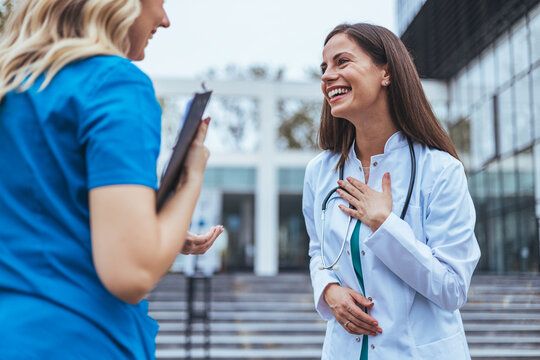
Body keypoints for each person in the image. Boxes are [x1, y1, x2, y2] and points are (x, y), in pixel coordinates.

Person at [0, 0, 222, 359]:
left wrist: (142, 226)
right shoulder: (114, 83)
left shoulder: (14, 86)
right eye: (161, 2)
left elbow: (38, 212)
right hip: (80, 338)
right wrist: (191, 177)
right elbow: (131, 272)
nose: (165, 20)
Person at [302, 23, 481, 359]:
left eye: (342, 62)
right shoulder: (320, 172)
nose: (327, 76)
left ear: (386, 72)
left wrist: (384, 225)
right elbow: (319, 252)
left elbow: (453, 288)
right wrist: (327, 289)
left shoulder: (441, 171)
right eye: (324, 68)